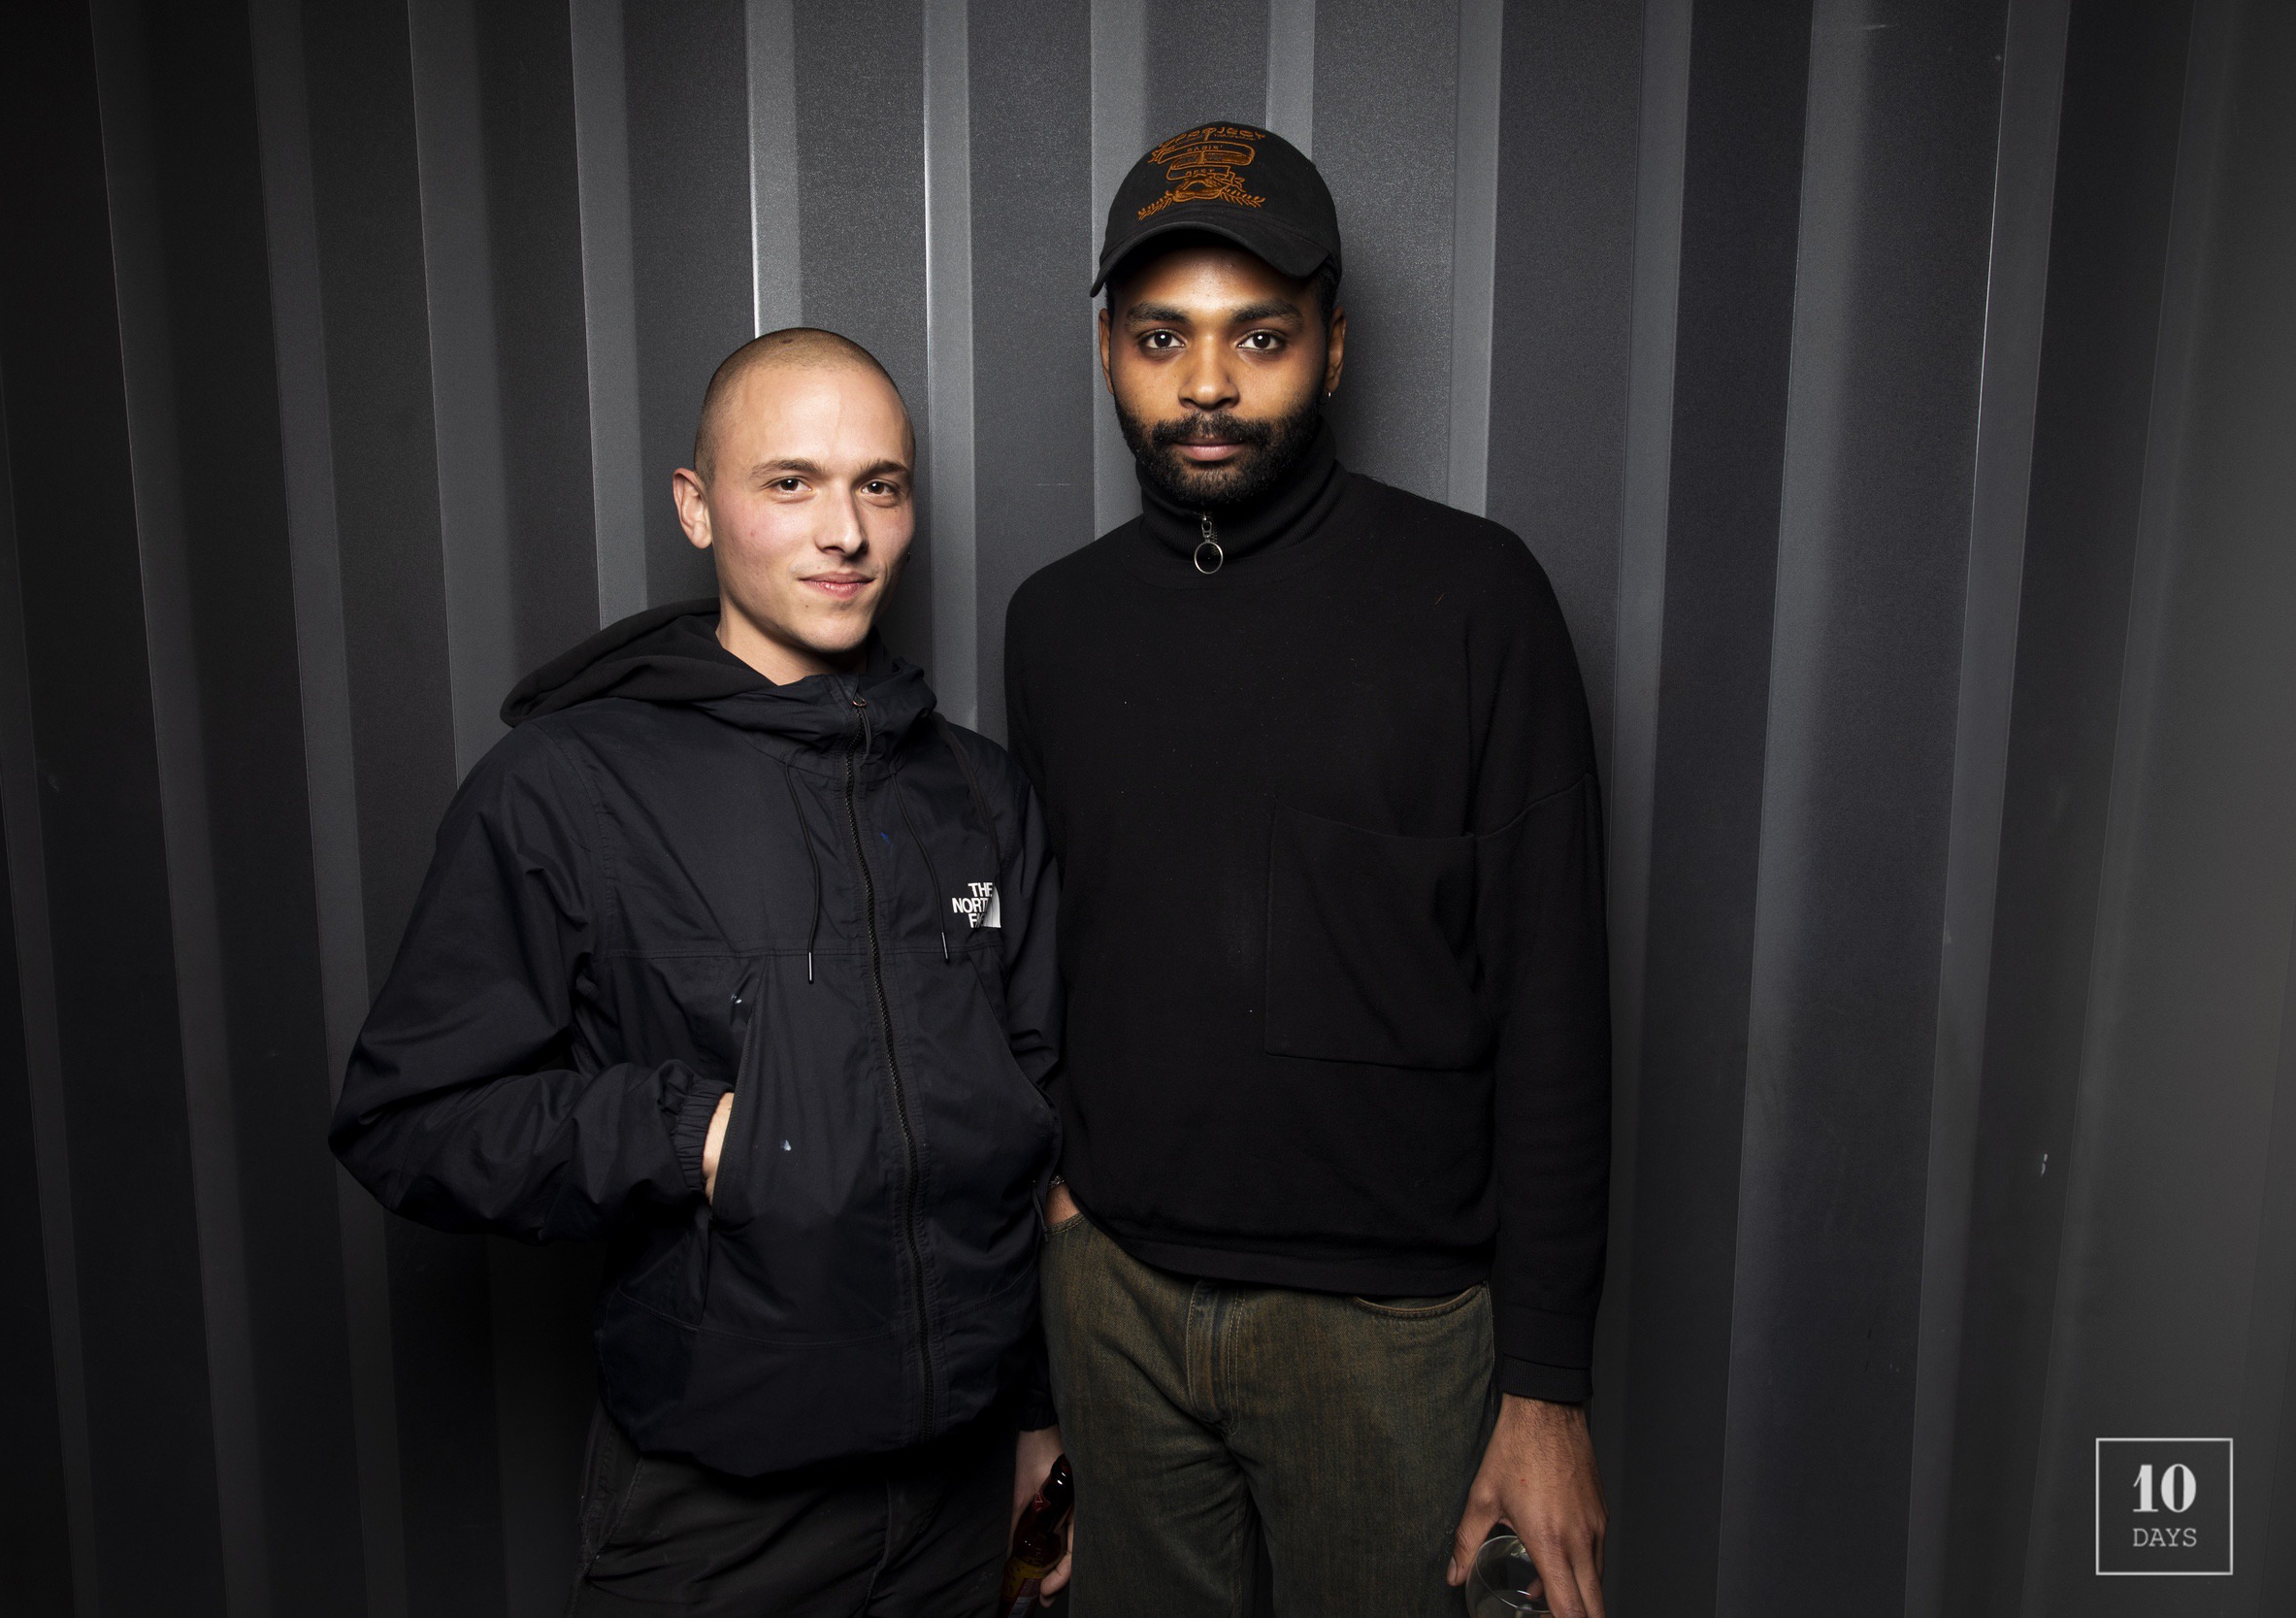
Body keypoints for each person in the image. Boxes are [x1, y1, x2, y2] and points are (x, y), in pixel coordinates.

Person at [332, 328, 1067, 1616]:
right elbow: (407, 1120)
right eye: (790, 482)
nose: (845, 531)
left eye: (880, 486)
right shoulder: (567, 786)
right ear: (695, 505)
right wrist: (693, 1133)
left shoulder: (979, 791)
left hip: (960, 1500)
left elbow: (1037, 1124)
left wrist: (1039, 1423)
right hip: (721, 1518)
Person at [1003, 124, 1612, 1617]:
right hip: (1115, 1302)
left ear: (1333, 348)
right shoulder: (1055, 625)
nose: (1208, 383)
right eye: (1163, 338)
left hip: (1385, 1331)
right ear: (1107, 352)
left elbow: (1556, 1004)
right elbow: (1038, 979)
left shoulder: (1476, 598)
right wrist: (1045, 1340)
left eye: (1260, 336)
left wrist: (1546, 1388)